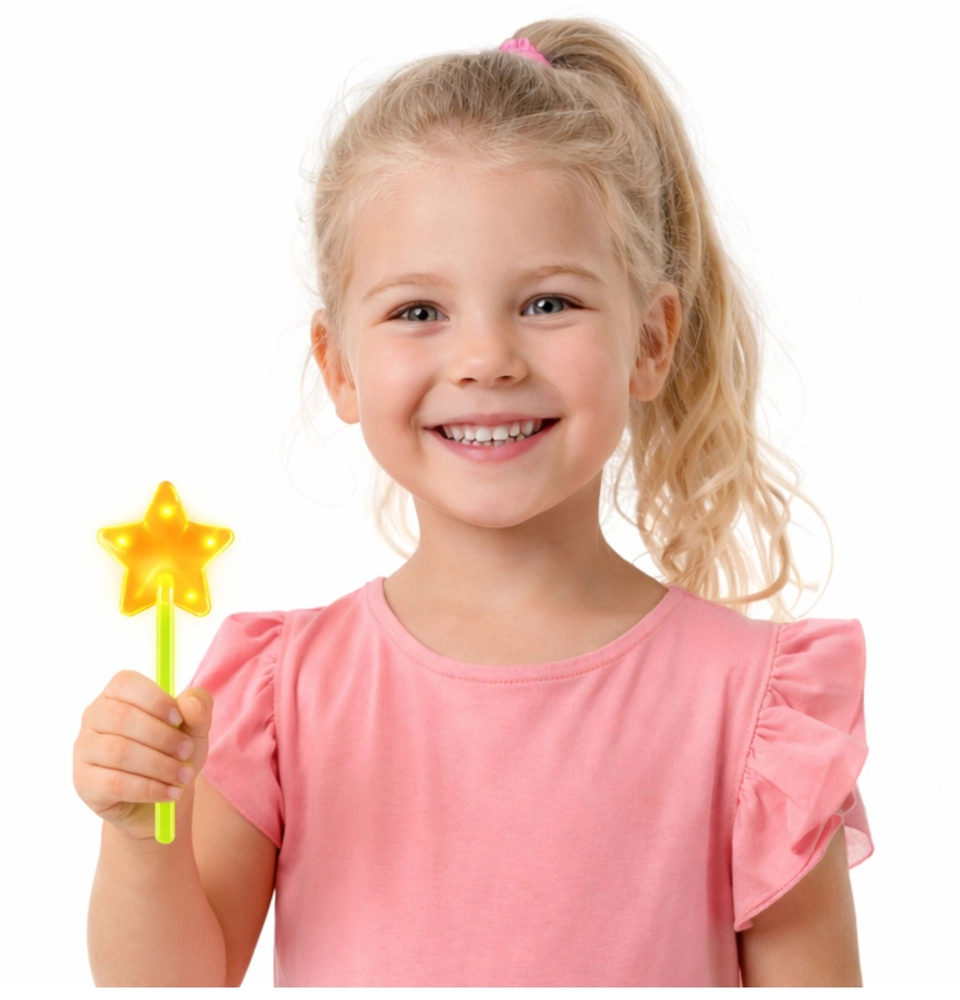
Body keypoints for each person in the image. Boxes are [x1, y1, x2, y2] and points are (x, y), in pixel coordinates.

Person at [74, 17, 874, 987]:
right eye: (418, 311)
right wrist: (140, 836)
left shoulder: (755, 710)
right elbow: (170, 983)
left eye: (547, 303)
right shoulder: (278, 694)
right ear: (340, 366)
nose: (486, 358)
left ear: (651, 340)